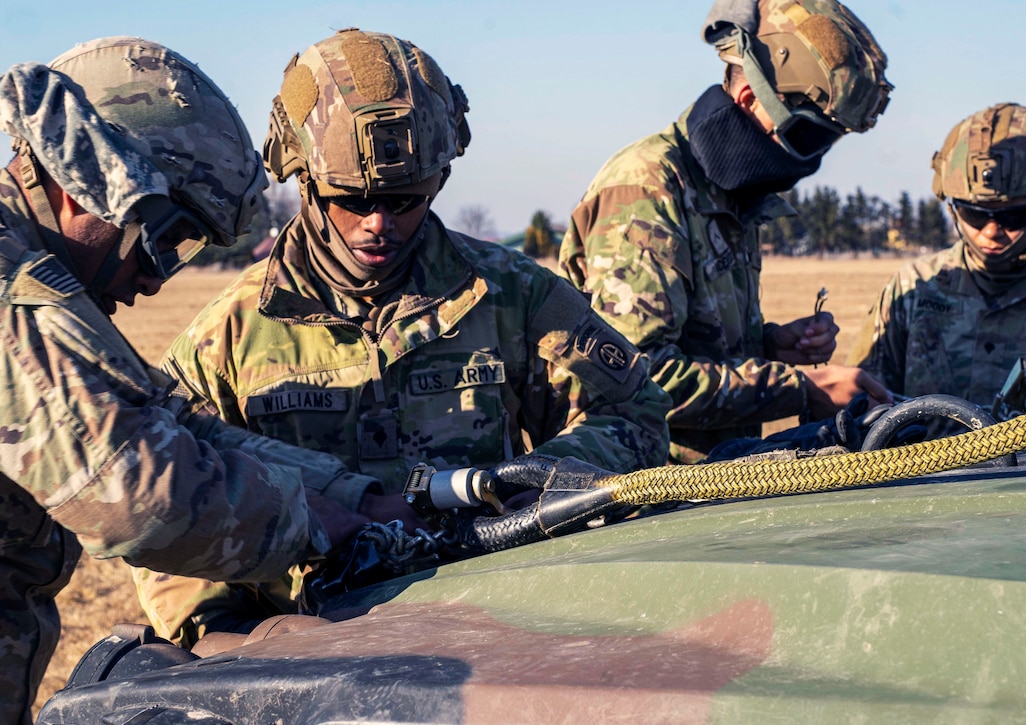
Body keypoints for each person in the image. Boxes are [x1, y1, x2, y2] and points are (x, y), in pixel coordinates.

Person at [134, 29, 671, 645]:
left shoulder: (512, 295)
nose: (377, 223)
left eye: (405, 199)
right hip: (308, 653)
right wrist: (230, 638)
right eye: (351, 199)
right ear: (302, 179)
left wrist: (532, 480)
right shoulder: (226, 336)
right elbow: (171, 505)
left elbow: (635, 416)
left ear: (439, 180)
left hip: (501, 627)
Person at [0, 37, 425, 723]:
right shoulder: (13, 295)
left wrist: (357, 496)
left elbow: (171, 425)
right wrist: (316, 522)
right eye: (167, 236)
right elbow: (133, 489)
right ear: (90, 176)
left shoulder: (41, 281)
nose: (153, 278)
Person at [558, 0, 895, 464]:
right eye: (809, 138)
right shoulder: (646, 188)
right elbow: (635, 376)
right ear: (751, 101)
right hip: (640, 498)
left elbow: (697, 344)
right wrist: (799, 388)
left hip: (709, 485)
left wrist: (770, 344)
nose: (811, 162)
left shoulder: (729, 193)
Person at [847, 103, 1026, 407]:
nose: (991, 231)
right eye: (974, 215)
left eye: (1013, 216)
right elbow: (861, 404)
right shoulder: (914, 288)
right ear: (953, 209)